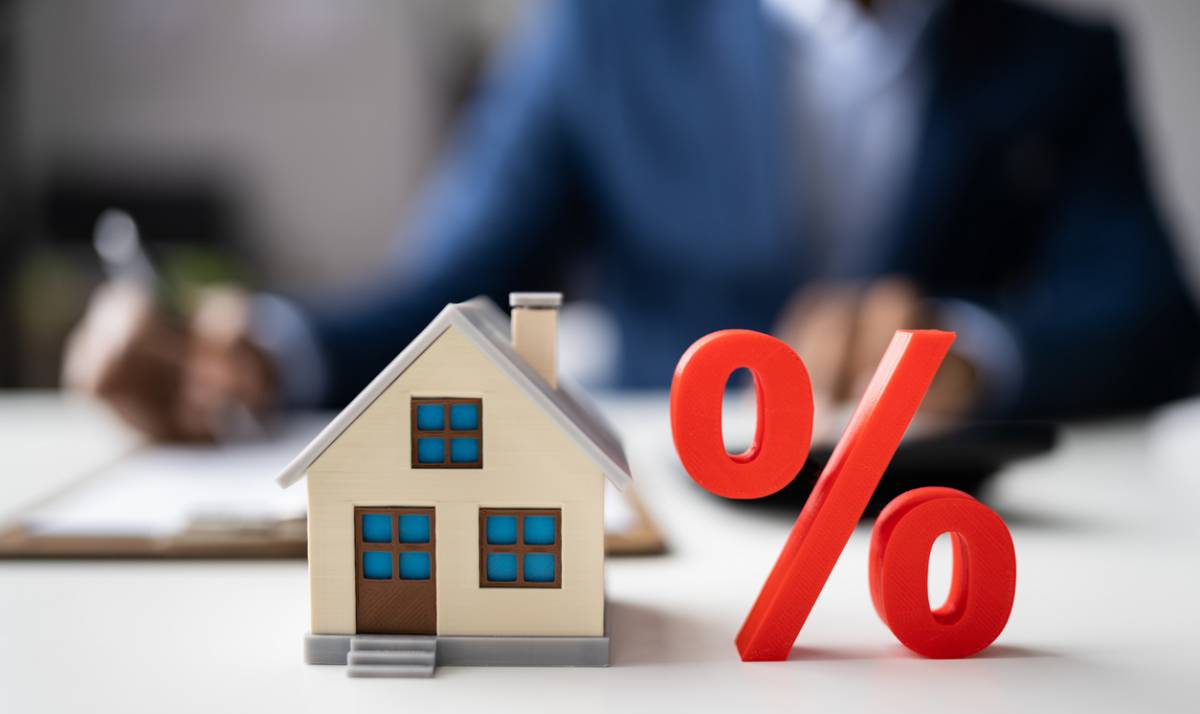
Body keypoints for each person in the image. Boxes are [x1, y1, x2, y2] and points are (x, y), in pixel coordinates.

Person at [64, 0, 1200, 440]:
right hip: (679, 517)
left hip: (971, 526)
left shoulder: (1061, 60)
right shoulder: (600, 34)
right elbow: (451, 290)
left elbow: (1153, 313)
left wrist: (971, 348)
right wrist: (260, 345)